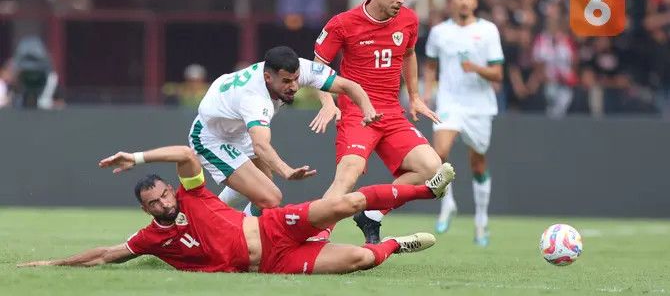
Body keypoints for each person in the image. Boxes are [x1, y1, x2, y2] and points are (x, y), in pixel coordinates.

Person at [17, 145, 455, 274]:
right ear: (147, 211)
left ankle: (427, 193)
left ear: (171, 191)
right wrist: (50, 263)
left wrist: (138, 157)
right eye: (153, 205)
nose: (163, 205)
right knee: (359, 258)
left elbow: (187, 154)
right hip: (273, 263)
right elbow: (104, 254)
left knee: (348, 201)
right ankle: (395, 245)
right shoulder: (153, 238)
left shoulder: (193, 195)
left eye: (164, 196)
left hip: (273, 227)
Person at [311, 0, 444, 244]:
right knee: (348, 174)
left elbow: (409, 54)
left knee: (432, 168)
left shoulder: (408, 19)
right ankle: (315, 237)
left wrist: (415, 96)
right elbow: (317, 66)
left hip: (392, 113)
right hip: (357, 113)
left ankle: (371, 213)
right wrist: (327, 102)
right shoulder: (343, 23)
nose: (401, 0)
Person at [189, 46, 381, 216]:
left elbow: (349, 85)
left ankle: (224, 226)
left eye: (296, 79)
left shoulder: (298, 68)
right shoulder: (254, 98)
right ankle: (215, 225)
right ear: (267, 77)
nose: (295, 86)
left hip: (238, 128)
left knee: (263, 188)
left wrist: (368, 109)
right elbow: (261, 145)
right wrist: (287, 171)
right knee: (269, 197)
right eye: (287, 81)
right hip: (211, 137)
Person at [422, 0, 504, 247]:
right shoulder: (439, 32)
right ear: (451, 2)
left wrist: (476, 68)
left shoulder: (488, 30)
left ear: (476, 1)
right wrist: (426, 93)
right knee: (439, 155)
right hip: (449, 102)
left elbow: (498, 74)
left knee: (478, 162)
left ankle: (481, 220)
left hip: (479, 106)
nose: (464, 1)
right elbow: (431, 65)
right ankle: (448, 204)